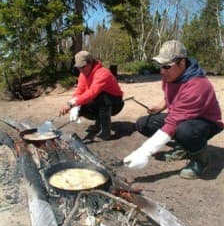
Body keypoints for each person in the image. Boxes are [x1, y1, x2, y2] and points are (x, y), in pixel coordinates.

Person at [123, 40, 223, 179]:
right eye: (160, 66)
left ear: (181, 63)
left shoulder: (198, 85)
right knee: (144, 124)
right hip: (180, 117)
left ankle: (201, 160)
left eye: (166, 66)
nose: (162, 71)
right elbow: (170, 98)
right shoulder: (170, 76)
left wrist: (143, 152)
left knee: (184, 131)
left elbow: (173, 123)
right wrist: (160, 106)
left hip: (206, 122)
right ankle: (183, 148)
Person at [59, 50, 124, 140]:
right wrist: (72, 103)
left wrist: (72, 104)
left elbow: (92, 93)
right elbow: (79, 91)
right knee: (81, 107)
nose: (81, 70)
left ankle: (106, 131)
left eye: (83, 67)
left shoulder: (102, 73)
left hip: (115, 103)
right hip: (100, 100)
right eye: (78, 67)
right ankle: (98, 125)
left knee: (101, 97)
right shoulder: (83, 74)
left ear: (90, 62)